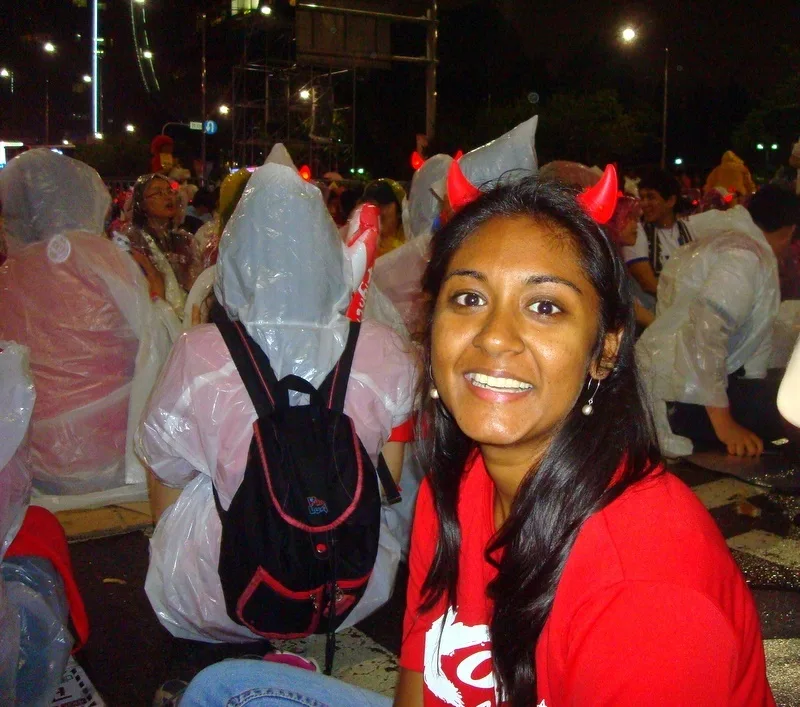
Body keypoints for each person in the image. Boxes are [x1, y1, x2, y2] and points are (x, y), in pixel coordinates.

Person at [177, 175, 774, 706]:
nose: (494, 336)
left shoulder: (646, 594)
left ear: (606, 348)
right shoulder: (465, 483)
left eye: (545, 306)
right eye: (469, 298)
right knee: (227, 688)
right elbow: (420, 677)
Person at [136, 157, 417, 643]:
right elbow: (385, 478)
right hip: (347, 584)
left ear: (235, 258)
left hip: (221, 592)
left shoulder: (201, 351)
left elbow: (166, 468)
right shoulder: (383, 346)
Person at [0, 149, 176, 496]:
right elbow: (153, 341)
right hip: (107, 456)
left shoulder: (9, 273)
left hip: (28, 460)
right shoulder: (103, 257)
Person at [637, 185, 800, 458]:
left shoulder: (732, 243)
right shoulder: (743, 257)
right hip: (678, 395)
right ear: (788, 231)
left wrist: (755, 396)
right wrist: (726, 425)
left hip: (683, 382)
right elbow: (704, 332)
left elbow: (756, 345)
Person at [118, 173, 201, 316]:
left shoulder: (185, 240)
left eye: (170, 191)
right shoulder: (133, 240)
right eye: (158, 193)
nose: (168, 197)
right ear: (142, 203)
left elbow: (195, 284)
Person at [622, 168, 694, 308]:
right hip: (654, 311)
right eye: (642, 198)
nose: (644, 204)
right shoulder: (636, 233)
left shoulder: (688, 228)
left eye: (651, 197)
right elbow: (647, 283)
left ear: (671, 201)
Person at [363, 179, 408, 256]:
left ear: (399, 210)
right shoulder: (359, 247)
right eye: (371, 205)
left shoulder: (409, 248)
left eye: (383, 204)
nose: (376, 210)